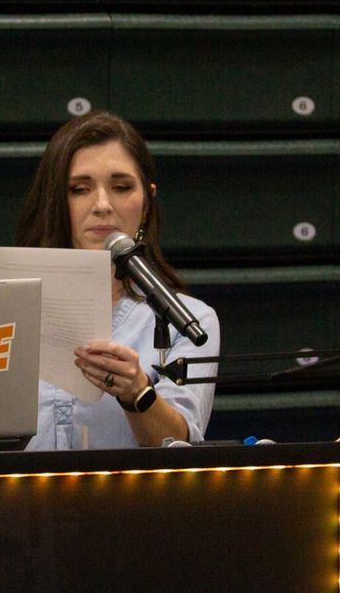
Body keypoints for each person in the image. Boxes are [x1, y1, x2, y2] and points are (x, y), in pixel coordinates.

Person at [15, 111, 219, 450]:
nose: (102, 205)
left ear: (147, 201)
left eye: (121, 187)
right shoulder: (10, 309)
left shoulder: (191, 320)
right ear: (56, 200)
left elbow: (180, 445)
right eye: (80, 189)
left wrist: (136, 391)